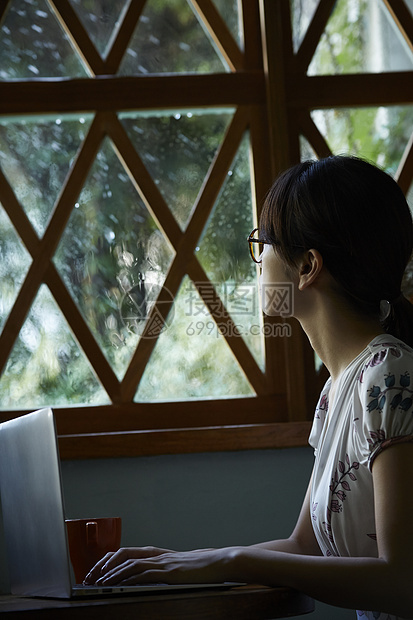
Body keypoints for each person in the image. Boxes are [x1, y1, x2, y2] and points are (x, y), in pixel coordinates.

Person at [84, 155, 413, 620]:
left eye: (264, 244)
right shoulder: (340, 387)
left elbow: (403, 581)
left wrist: (229, 560)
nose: (256, 261)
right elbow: (306, 545)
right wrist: (184, 561)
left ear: (307, 267)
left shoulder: (389, 374)